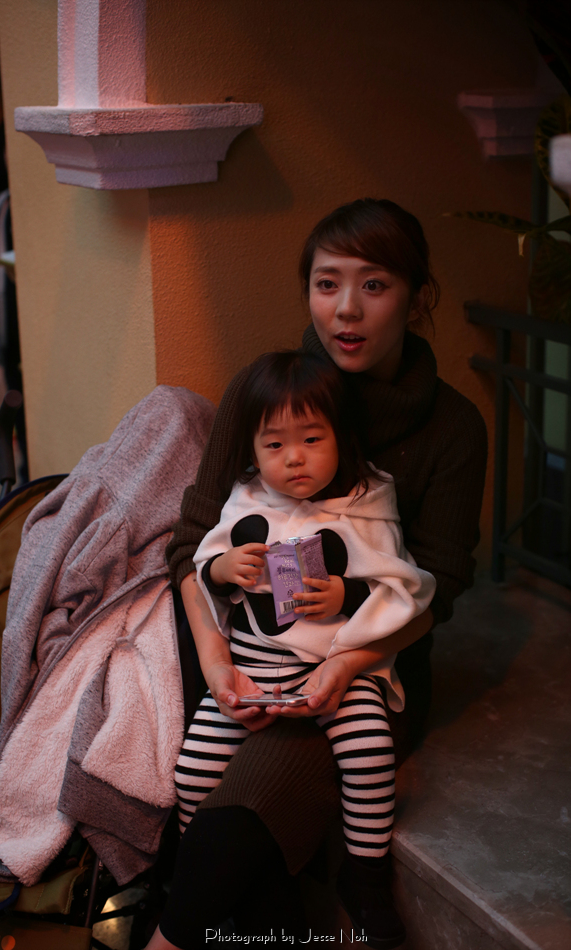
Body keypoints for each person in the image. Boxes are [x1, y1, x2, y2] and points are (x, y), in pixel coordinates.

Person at [148, 199, 488, 950]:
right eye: (326, 283)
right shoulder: (263, 390)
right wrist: (216, 663)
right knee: (208, 800)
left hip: (362, 669)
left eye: (374, 285)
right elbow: (190, 546)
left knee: (237, 822)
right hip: (246, 652)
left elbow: (440, 586)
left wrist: (348, 665)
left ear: (417, 298)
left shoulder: (453, 427)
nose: (346, 309)